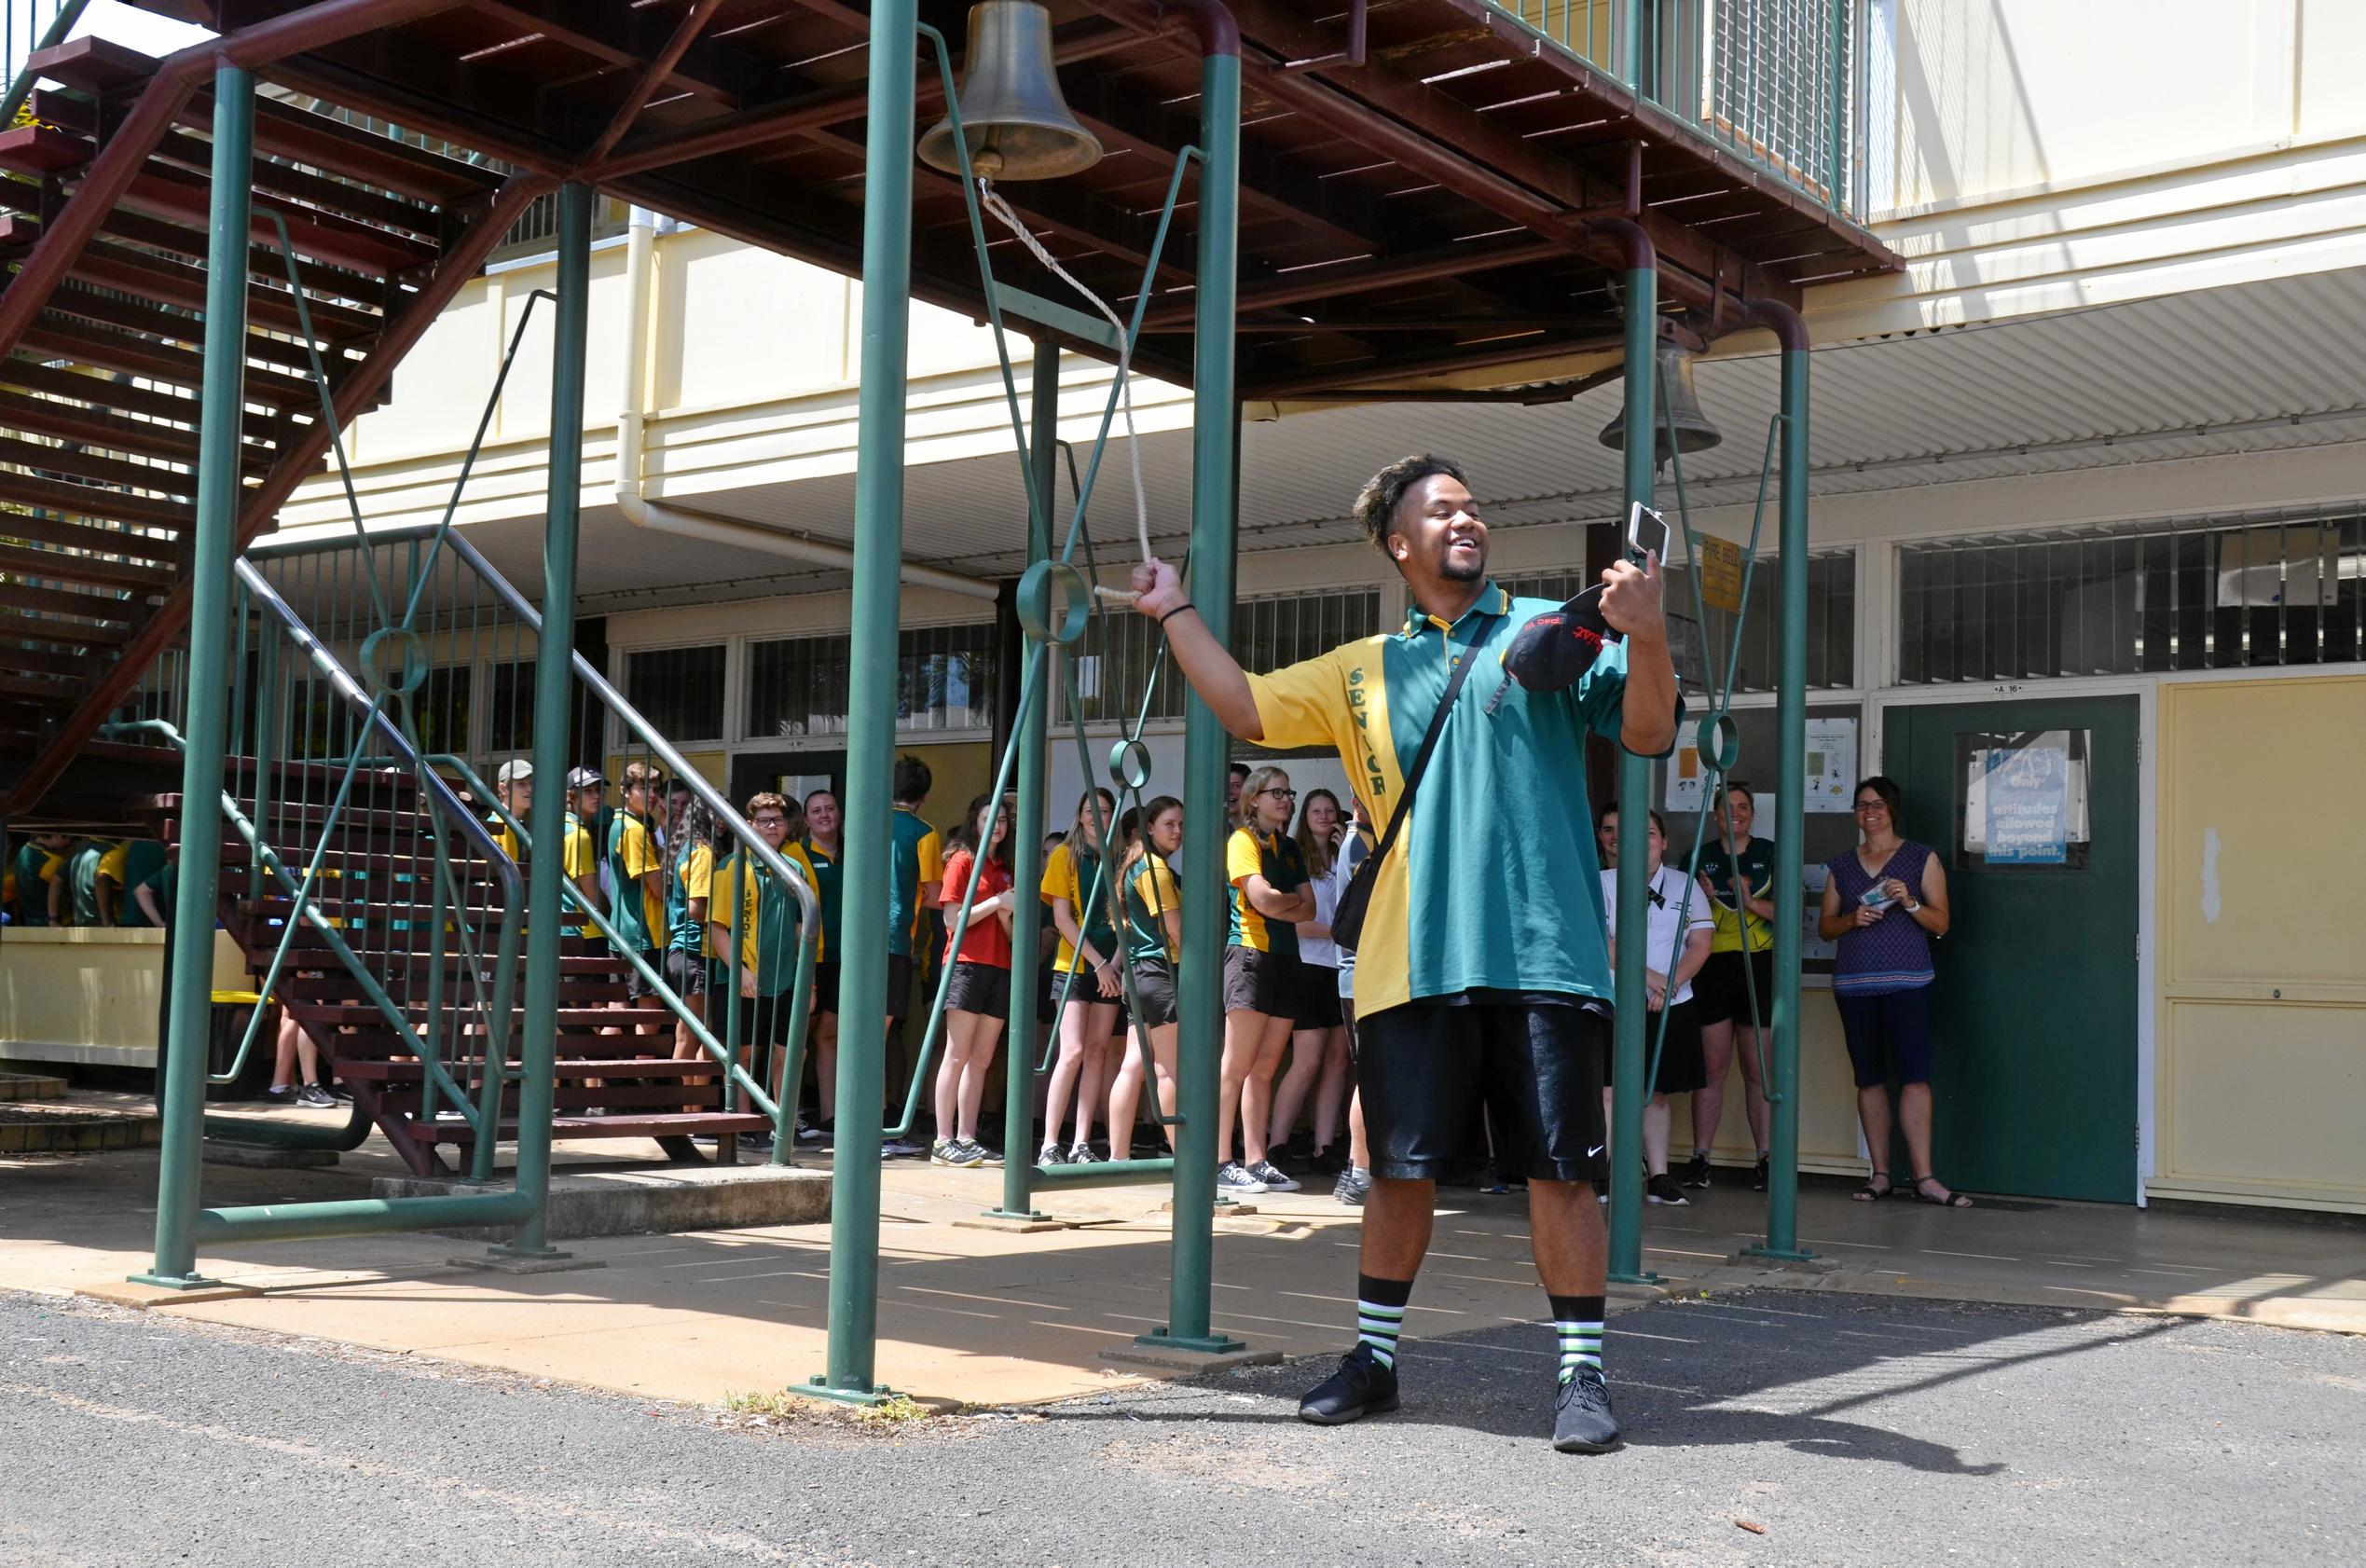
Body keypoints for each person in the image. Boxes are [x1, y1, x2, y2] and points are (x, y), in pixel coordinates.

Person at [1129, 452, 1679, 1453]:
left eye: (1474, 504)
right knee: (1398, 1169)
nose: (1467, 518)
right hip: (1407, 960)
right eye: (1442, 509)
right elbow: (1246, 706)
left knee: (1563, 1173)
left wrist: (1647, 633)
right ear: (1399, 541)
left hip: (1547, 951)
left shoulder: (1555, 630)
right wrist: (1172, 611)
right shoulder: (1362, 667)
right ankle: (1374, 1360)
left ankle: (1583, 1375)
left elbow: (1648, 730)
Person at [1820, 775, 1965, 1208]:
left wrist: (1910, 903)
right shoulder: (1841, 866)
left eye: (1878, 804)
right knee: (1868, 1080)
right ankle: (1880, 1174)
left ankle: (1924, 1177)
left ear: (1892, 810)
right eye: (1862, 805)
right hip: (1854, 985)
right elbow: (1826, 927)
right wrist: (1852, 919)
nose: (1870, 812)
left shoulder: (1922, 858)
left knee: (1915, 1078)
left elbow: (1942, 924)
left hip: (1908, 983)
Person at [1597, 806, 1713, 1207]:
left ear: (1663, 842)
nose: (1641, 840)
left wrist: (1672, 985)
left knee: (1657, 1092)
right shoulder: (1603, 884)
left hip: (1672, 1002)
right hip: (1616, 1000)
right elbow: (1603, 943)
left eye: (1650, 833)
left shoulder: (1686, 886)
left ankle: (1659, 1176)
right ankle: (1602, 1175)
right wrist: (1652, 979)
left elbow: (1700, 944)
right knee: (1609, 1091)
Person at [1219, 764, 1314, 1195]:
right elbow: (1259, 898)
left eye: (1288, 792)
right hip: (1250, 955)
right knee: (1236, 1066)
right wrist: (1282, 901)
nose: (1285, 800)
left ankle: (1256, 1160)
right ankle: (1221, 1160)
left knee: (1266, 1068)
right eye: (1276, 792)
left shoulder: (1291, 849)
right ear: (1253, 798)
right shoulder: (1242, 840)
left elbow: (1309, 909)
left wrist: (1283, 902)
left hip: (1287, 957)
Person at [1690, 781, 1776, 1190]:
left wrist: (1750, 900)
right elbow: (1681, 921)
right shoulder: (1699, 858)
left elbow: (1792, 914)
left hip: (1758, 964)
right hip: (1710, 966)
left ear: (1752, 814)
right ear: (1716, 815)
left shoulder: (1771, 853)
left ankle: (1766, 1158)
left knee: (1758, 1067)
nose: (1735, 814)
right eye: (1727, 808)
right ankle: (1700, 1159)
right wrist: (1702, 901)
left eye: (1743, 807)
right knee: (1712, 1068)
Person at [708, 793, 805, 1144]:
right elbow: (717, 928)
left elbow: (800, 929)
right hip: (742, 979)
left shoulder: (794, 869)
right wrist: (741, 970)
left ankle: (784, 1124)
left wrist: (806, 980)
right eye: (764, 820)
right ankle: (744, 1125)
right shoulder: (731, 866)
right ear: (749, 825)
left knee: (785, 1051)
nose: (772, 826)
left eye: (778, 820)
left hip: (785, 977)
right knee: (743, 1053)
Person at [1039, 788, 1123, 1166]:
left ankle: (1082, 1142)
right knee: (1071, 1051)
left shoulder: (1122, 857)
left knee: (1097, 1053)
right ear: (1079, 814)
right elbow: (1062, 919)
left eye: (1103, 810)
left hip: (1111, 966)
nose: (1095, 817)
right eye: (1088, 810)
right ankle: (1049, 1142)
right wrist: (1099, 964)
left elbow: (1128, 918)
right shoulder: (1064, 855)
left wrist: (1115, 964)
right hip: (1073, 966)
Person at [933, 792, 1017, 1168]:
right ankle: (942, 1139)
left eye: (1002, 820)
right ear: (975, 820)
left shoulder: (1004, 867)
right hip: (966, 963)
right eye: (989, 818)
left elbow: (1012, 932)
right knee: (957, 1053)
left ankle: (967, 1136)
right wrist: (998, 903)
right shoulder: (962, 860)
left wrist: (1003, 910)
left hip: (1000, 966)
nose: (997, 826)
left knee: (982, 1057)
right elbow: (952, 920)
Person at [1270, 789, 1351, 1171]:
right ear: (1305, 816)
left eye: (1330, 810)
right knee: (1307, 1060)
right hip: (1306, 965)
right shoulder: (1294, 856)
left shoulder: (1346, 853)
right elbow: (1292, 920)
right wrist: (1336, 932)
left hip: (1342, 968)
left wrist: (1350, 847)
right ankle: (1277, 1143)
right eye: (1316, 810)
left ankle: (1324, 1147)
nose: (1323, 816)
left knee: (1338, 1060)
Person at [1107, 796, 1184, 1158]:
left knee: (1132, 1068)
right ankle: (1186, 1158)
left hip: (1137, 974)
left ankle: (1117, 1157)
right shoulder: (1156, 869)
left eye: (1181, 824)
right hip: (1159, 972)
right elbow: (1177, 931)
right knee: (1167, 1071)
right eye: (1169, 824)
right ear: (1149, 828)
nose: (1178, 831)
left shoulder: (1135, 864)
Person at [885, 755, 943, 1155]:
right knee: (881, 1035)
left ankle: (876, 1121)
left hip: (856, 942)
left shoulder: (864, 821)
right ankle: (881, 1128)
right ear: (924, 796)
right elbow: (935, 896)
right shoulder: (925, 833)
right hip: (895, 941)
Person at [791, 789, 844, 1144]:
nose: (824, 815)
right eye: (816, 810)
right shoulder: (795, 854)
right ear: (806, 820)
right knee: (796, 1039)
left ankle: (830, 1117)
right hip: (808, 959)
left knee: (829, 1036)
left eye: (829, 808)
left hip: (844, 960)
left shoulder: (856, 851)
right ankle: (788, 1113)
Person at [1332, 796, 1377, 1207]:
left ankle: (1357, 1169)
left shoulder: (1362, 841)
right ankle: (1360, 1173)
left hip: (1362, 978)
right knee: (1371, 1076)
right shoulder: (1362, 845)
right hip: (1364, 978)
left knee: (1371, 1075)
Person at [663, 794, 716, 1119]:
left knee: (688, 1033)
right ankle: (690, 1111)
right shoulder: (704, 853)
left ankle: (684, 1110)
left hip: (681, 950)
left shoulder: (685, 848)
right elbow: (698, 909)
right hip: (697, 950)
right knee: (702, 1034)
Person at [96, 837, 168, 928]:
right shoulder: (118, 853)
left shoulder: (134, 846)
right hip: (151, 921)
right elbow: (102, 878)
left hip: (129, 918)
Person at [10, 832, 68, 927]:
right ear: (57, 835)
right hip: (51, 923)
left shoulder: (23, 852)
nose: (69, 844)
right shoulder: (54, 861)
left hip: (28, 921)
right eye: (69, 839)